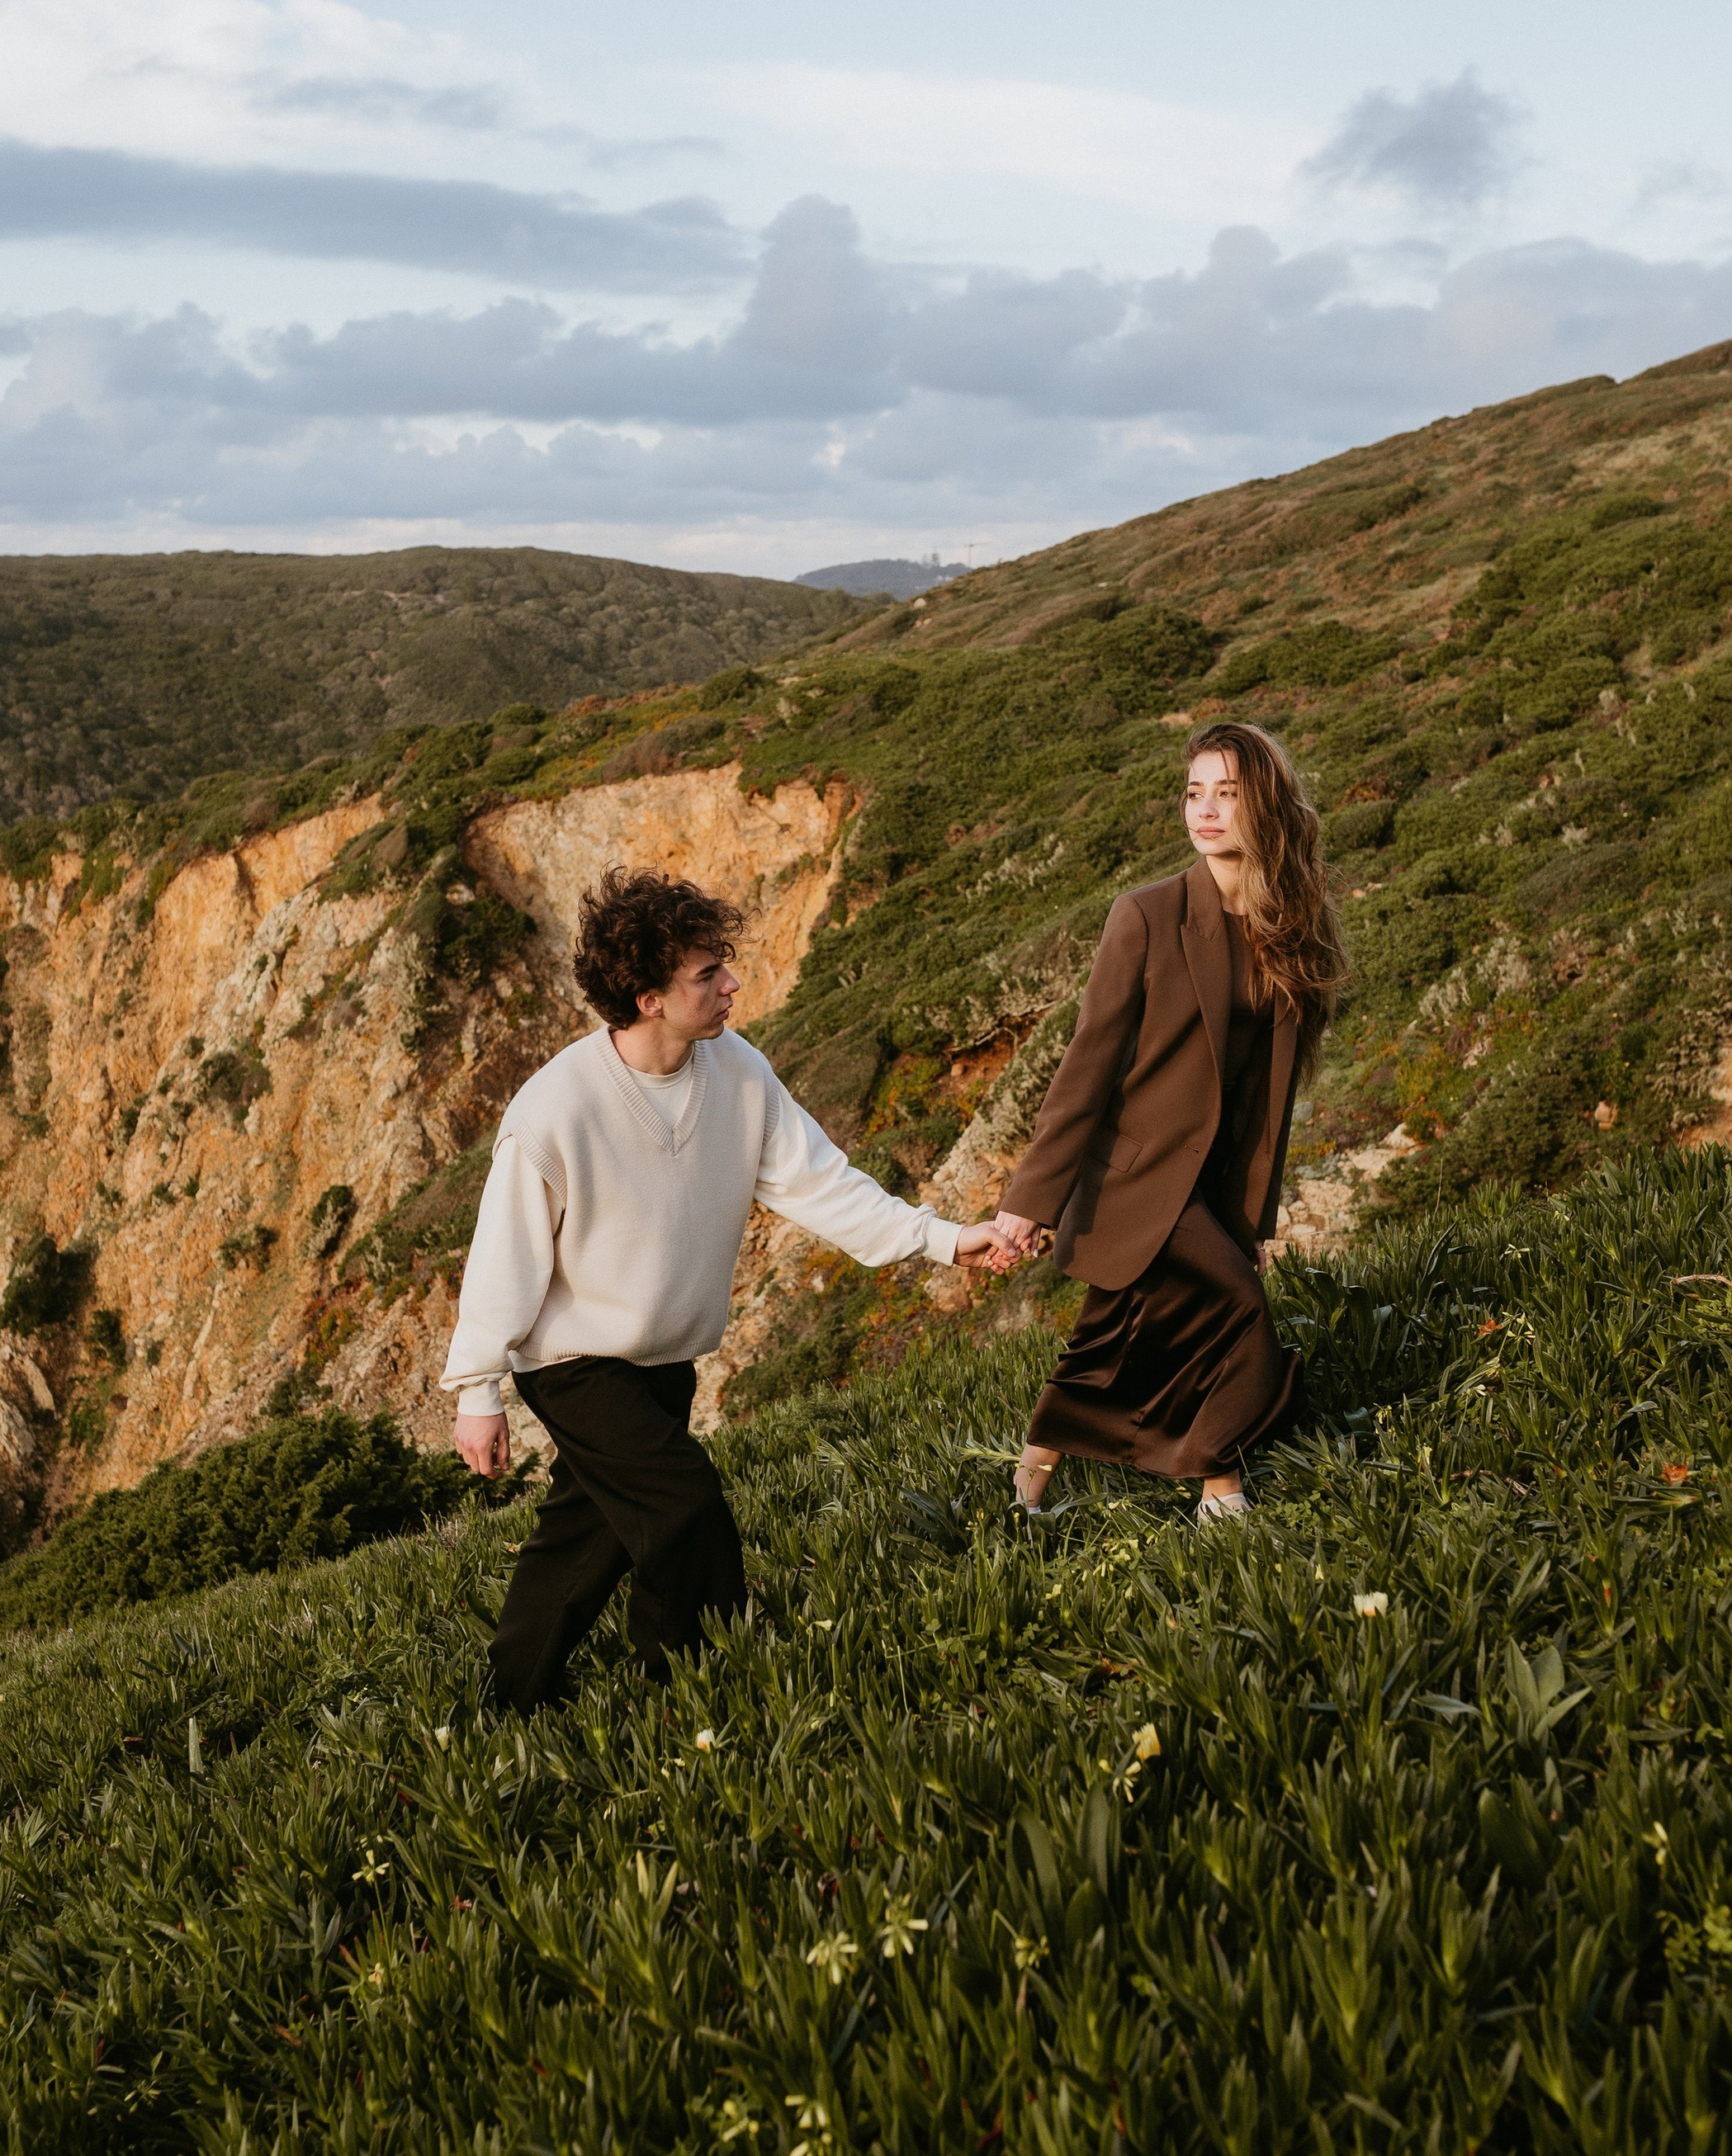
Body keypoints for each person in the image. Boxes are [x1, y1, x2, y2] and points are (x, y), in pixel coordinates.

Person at [445, 865, 998, 1710]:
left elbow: (822, 1185)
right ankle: (695, 1690)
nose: (732, 983)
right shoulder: (555, 1108)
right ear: (646, 997)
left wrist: (948, 1239)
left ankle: (505, 1704)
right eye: (707, 973)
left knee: (584, 1540)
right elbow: (503, 1256)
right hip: (573, 1363)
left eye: (722, 964)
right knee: (684, 1506)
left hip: (664, 1357)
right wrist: (478, 1389)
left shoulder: (736, 1070)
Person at [984, 721, 1346, 1520]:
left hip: (1209, 1181)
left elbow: (1267, 1099)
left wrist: (1249, 1216)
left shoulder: (1291, 924)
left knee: (1114, 1338)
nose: (1206, 810)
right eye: (1194, 792)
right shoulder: (1145, 915)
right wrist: (1029, 1201)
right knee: (1237, 1311)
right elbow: (1088, 1064)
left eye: (1228, 792)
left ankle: (1027, 1487)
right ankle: (1221, 1490)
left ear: (1268, 806)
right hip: (1133, 1177)